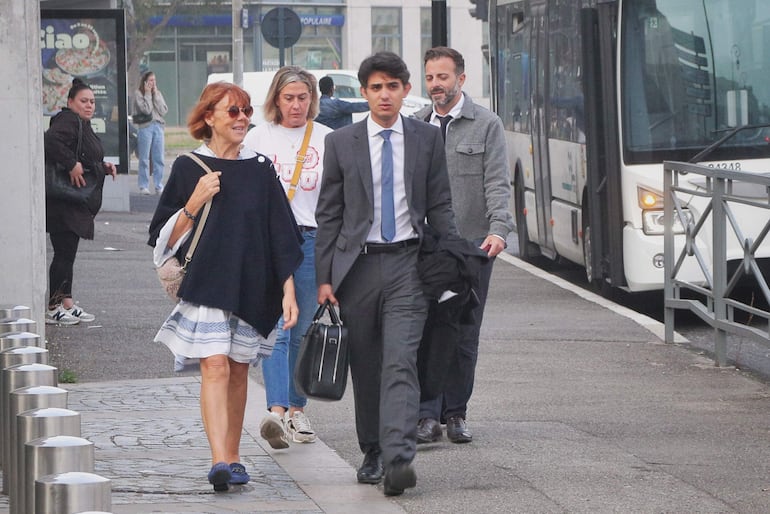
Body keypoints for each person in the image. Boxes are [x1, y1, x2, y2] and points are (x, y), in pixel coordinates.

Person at [148, 81, 303, 492]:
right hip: (209, 282)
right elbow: (162, 236)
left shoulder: (260, 168)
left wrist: (288, 290)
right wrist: (194, 202)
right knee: (214, 365)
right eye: (232, 111)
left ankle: (234, 456)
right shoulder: (187, 167)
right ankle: (219, 459)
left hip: (253, 282)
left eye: (247, 111)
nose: (242, 119)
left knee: (237, 369)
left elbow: (280, 235)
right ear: (209, 118)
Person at [315, 51, 458, 497]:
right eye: (375, 87)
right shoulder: (342, 142)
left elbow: (440, 206)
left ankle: (398, 456)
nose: (384, 95)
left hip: (407, 266)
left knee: (400, 360)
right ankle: (373, 449)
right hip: (356, 267)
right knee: (368, 364)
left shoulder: (425, 139)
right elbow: (329, 215)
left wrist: (452, 263)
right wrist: (324, 279)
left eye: (392, 86)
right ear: (363, 93)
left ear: (404, 90)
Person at [413, 46, 513, 444]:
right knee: (425, 331)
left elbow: (497, 182)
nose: (437, 85)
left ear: (461, 79)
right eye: (431, 78)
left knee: (464, 333)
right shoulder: (417, 125)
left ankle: (456, 413)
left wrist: (499, 230)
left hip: (473, 247)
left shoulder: (486, 124)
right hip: (429, 247)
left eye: (443, 77)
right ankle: (426, 414)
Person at [243, 66, 333, 449]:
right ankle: (277, 411)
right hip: (269, 242)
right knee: (277, 325)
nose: (296, 105)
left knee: (302, 329)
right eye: (288, 98)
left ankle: (297, 409)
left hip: (312, 240)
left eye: (302, 98)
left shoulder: (328, 138)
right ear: (275, 100)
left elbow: (336, 197)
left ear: (312, 99)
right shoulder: (258, 137)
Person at [44, 78, 117, 325]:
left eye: (92, 102)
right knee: (64, 253)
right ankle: (53, 306)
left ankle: (67, 302)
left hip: (73, 201)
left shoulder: (82, 124)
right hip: (63, 201)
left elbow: (85, 156)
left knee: (68, 253)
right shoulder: (68, 120)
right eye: (84, 101)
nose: (89, 106)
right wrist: (71, 164)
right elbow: (51, 141)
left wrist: (103, 167)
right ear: (71, 102)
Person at [134, 71, 168, 195]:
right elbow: (146, 110)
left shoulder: (157, 93)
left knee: (159, 158)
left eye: (154, 80)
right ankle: (143, 185)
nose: (153, 83)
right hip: (145, 127)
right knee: (144, 158)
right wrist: (148, 94)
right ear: (145, 81)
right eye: (150, 80)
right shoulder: (139, 94)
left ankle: (158, 185)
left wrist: (156, 95)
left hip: (158, 126)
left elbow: (164, 110)